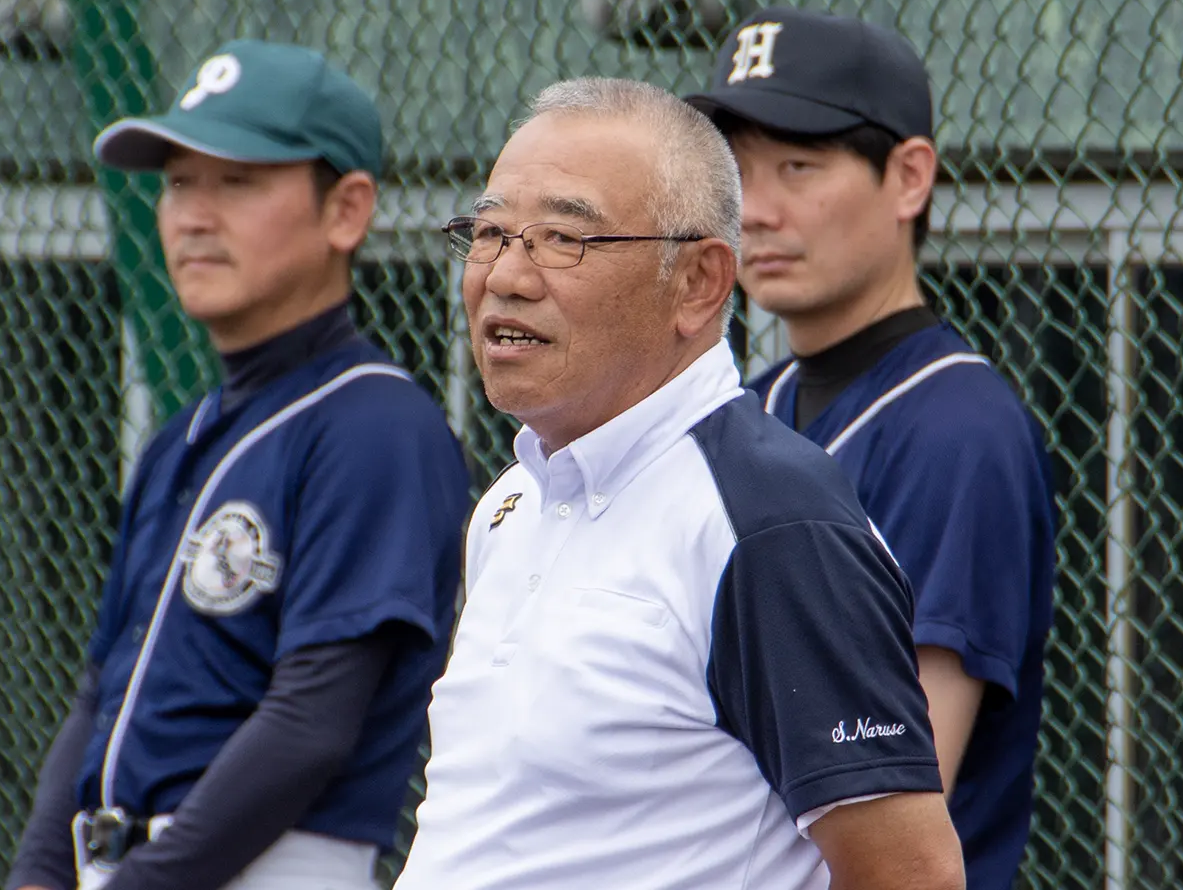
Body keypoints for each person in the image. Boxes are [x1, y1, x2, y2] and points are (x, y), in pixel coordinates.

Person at [395, 77, 965, 890]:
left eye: (563, 238)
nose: (505, 276)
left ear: (699, 282)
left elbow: (912, 875)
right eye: (488, 232)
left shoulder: (768, 523)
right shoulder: (510, 506)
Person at [2, 38, 471, 890]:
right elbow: (99, 691)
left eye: (239, 182)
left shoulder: (376, 426)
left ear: (346, 210)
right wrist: (37, 874)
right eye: (179, 182)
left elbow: (311, 725)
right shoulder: (181, 437)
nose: (192, 215)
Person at [686, 6, 1058, 890]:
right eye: (735, 173)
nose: (757, 210)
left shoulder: (957, 429)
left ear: (908, 177)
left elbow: (907, 775)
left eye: (799, 166)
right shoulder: (755, 401)